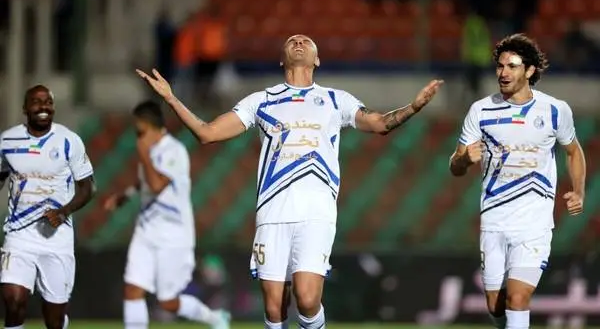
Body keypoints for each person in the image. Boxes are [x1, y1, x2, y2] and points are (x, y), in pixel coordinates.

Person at [136, 34, 442, 328]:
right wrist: (171, 98)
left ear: (317, 60)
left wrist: (413, 107)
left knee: (307, 300)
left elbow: (380, 123)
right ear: (282, 60)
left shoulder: (336, 100)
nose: (298, 42)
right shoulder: (261, 101)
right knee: (274, 307)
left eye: (306, 41)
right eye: (292, 40)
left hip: (316, 212)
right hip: (273, 212)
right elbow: (207, 133)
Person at [449, 34, 586, 329]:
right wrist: (464, 159)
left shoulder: (554, 110)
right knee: (496, 305)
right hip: (494, 221)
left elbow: (574, 151)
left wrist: (578, 191)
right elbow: (455, 167)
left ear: (529, 70)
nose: (503, 72)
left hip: (534, 225)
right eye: (500, 66)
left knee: (518, 298)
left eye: (512, 66)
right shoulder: (480, 110)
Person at [103, 100, 231, 329]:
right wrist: (125, 196)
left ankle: (214, 317)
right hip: (146, 230)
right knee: (132, 289)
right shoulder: (151, 151)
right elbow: (144, 182)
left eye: (140, 131)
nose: (138, 136)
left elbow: (156, 185)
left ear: (152, 126)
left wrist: (143, 154)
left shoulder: (174, 151)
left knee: (168, 302)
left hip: (173, 234)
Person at [0, 85, 95, 329]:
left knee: (54, 319)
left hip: (57, 238)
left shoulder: (69, 140)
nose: (43, 107)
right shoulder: (7, 141)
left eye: (48, 102)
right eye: (37, 101)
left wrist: (64, 211)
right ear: (25, 108)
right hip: (19, 235)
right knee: (13, 300)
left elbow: (88, 188)